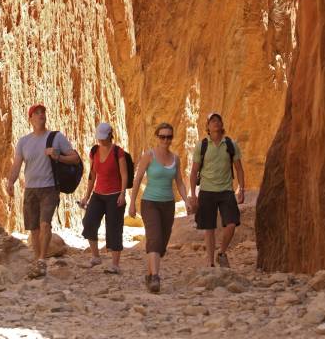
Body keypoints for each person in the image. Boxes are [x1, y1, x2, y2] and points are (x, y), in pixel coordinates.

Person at [7, 104, 80, 278]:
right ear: (30, 119)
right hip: (31, 189)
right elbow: (17, 164)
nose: (41, 115)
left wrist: (58, 156)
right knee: (34, 229)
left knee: (45, 223)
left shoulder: (56, 138)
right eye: (37, 113)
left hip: (49, 188)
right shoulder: (24, 141)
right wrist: (11, 181)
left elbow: (75, 158)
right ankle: (37, 261)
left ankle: (41, 260)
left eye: (43, 112)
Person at [129, 122, 189, 293]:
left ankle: (149, 275)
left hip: (168, 205)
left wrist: (186, 200)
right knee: (154, 238)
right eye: (162, 136)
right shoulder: (149, 156)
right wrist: (132, 203)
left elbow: (179, 182)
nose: (165, 140)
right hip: (150, 203)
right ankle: (155, 277)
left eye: (169, 137)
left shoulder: (175, 159)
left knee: (161, 245)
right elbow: (138, 179)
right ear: (157, 137)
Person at [189, 112, 245, 268]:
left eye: (217, 121)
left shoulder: (230, 144)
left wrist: (241, 188)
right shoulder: (202, 145)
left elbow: (239, 168)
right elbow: (194, 171)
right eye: (212, 121)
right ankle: (210, 262)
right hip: (207, 190)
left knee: (232, 224)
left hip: (226, 190)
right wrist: (193, 194)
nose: (215, 123)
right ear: (207, 126)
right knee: (209, 228)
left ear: (221, 125)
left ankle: (221, 252)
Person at [79, 122, 127, 274]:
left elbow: (124, 174)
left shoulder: (118, 152)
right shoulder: (94, 151)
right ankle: (95, 256)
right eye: (99, 138)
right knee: (88, 222)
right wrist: (86, 196)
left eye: (103, 138)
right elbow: (92, 175)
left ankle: (115, 264)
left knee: (114, 227)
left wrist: (122, 193)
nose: (101, 141)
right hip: (98, 194)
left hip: (114, 195)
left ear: (109, 135)